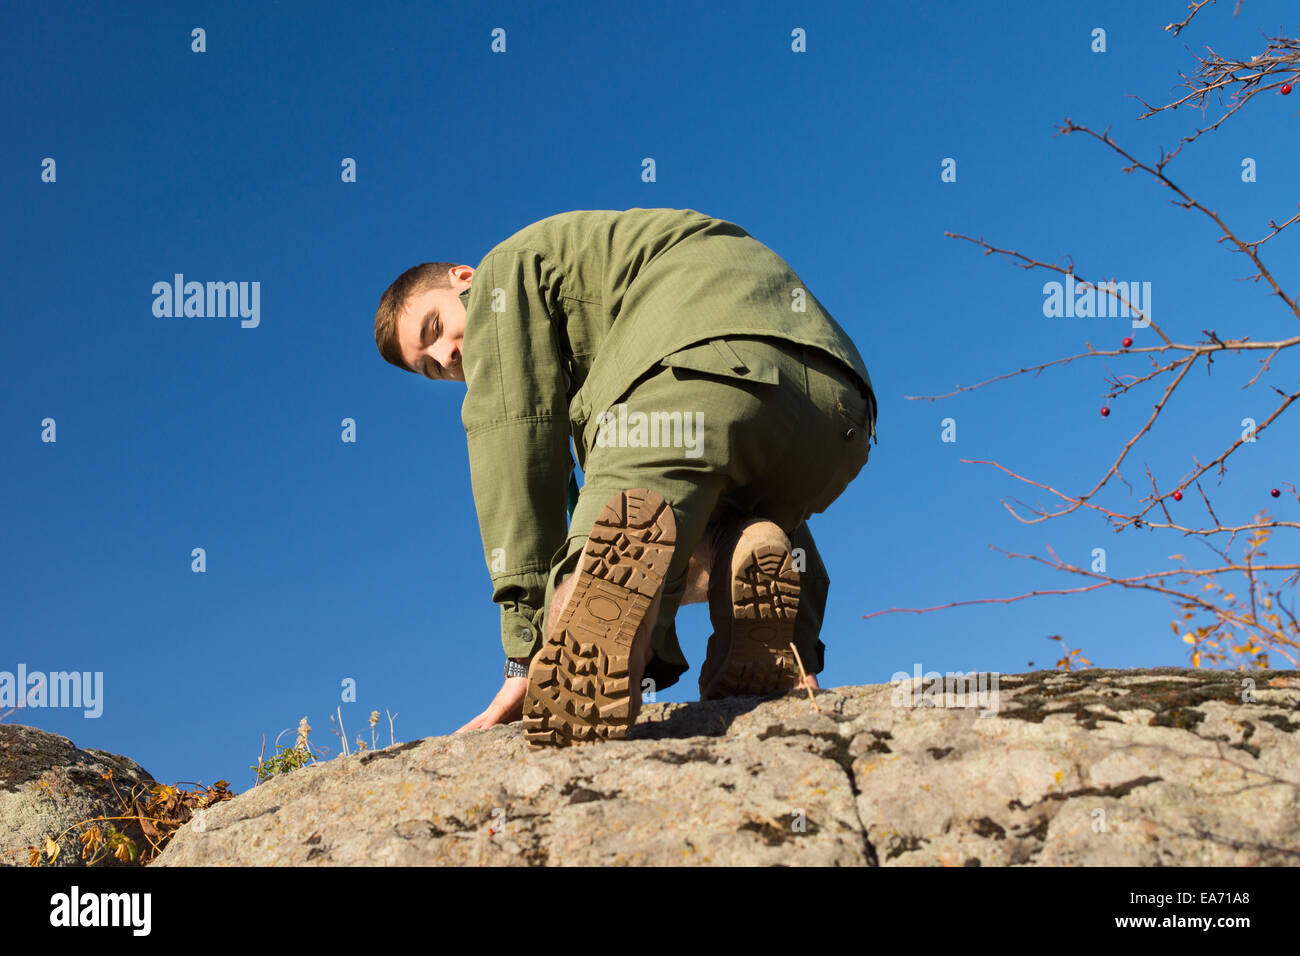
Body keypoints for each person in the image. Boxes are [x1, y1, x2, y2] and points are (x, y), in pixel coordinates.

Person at [373, 207, 877, 747]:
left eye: (434, 327)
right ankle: (760, 648)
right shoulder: (605, 298)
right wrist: (801, 639)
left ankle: (581, 650)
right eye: (431, 366)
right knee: (740, 529)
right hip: (837, 410)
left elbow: (513, 432)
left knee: (609, 541)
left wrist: (526, 649)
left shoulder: (502, 273)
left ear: (462, 278)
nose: (447, 355)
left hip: (698, 364)